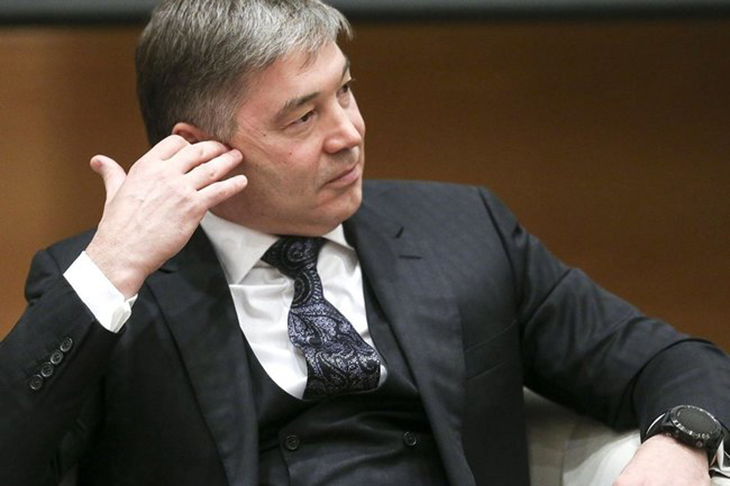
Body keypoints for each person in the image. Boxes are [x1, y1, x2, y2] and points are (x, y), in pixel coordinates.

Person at [1, 0, 728, 485]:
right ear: (200, 149)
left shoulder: (463, 229)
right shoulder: (108, 284)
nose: (349, 133)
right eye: (303, 117)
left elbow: (671, 361)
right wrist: (113, 268)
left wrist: (682, 443)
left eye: (344, 91)